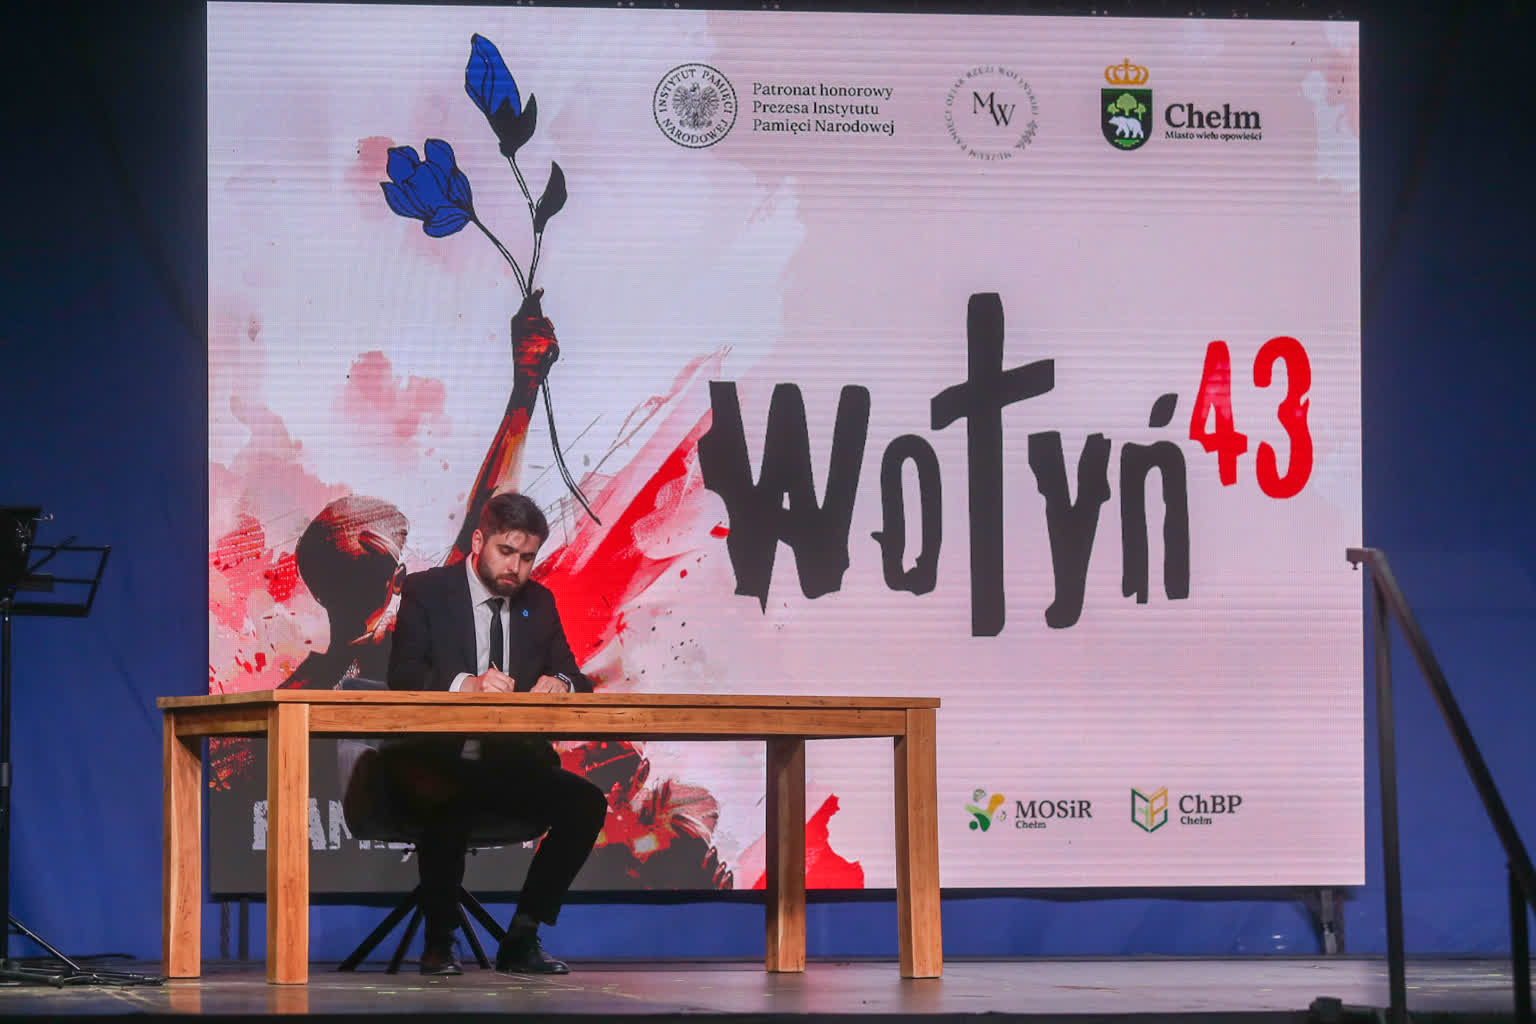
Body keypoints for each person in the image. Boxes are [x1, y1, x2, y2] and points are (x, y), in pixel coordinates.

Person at [384, 491, 608, 976]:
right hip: (437, 761)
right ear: (478, 541)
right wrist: (466, 685)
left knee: (586, 803)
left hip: (511, 766)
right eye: (506, 552)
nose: (516, 567)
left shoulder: (539, 602)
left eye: (527, 557)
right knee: (446, 792)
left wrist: (562, 682)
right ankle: (440, 941)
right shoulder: (428, 590)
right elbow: (402, 675)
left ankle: (523, 935)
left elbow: (577, 676)